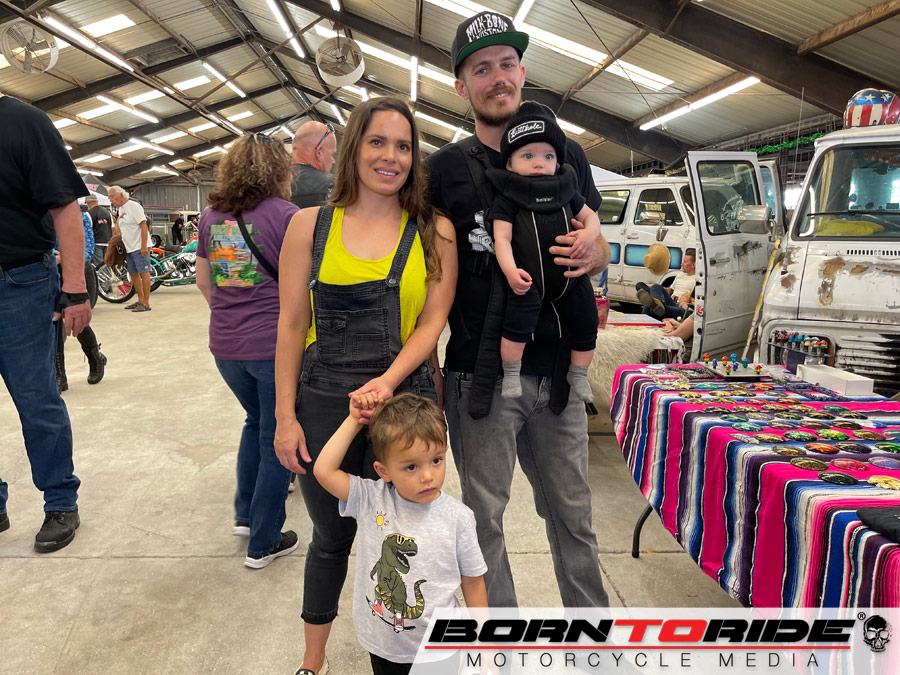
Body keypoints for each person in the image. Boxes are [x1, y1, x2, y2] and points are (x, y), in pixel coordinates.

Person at [425, 11, 611, 610]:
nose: (497, 77)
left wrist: (596, 250)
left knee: (574, 514)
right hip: (478, 375)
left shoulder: (566, 151)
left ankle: (593, 636)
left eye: (507, 64)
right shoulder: (443, 170)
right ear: (461, 86)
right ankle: (501, 642)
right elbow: (426, 276)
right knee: (484, 522)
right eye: (482, 69)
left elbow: (598, 244)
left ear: (523, 73)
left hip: (559, 373)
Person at [274, 96, 457, 675]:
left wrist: (387, 381)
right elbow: (291, 324)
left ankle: (407, 653)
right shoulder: (308, 226)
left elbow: (432, 322)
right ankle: (313, 661)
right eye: (378, 142)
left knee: (405, 535)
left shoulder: (434, 231)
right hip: (323, 398)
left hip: (404, 401)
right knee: (330, 537)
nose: (390, 156)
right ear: (353, 148)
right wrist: (285, 416)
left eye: (403, 146)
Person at [314, 393, 487, 674]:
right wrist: (354, 419)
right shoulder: (371, 499)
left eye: (436, 460)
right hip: (384, 645)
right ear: (384, 471)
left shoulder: (459, 518)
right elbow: (324, 471)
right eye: (411, 466)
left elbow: (473, 581)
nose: (427, 476)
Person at [196, 133, 300, 569]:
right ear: (279, 170)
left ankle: (244, 515)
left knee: (255, 422)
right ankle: (264, 540)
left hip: (226, 346)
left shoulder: (210, 217)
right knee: (278, 438)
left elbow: (204, 281)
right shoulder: (287, 216)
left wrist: (232, 315)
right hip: (273, 347)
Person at [0, 92, 90, 551]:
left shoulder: (24, 122)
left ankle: (59, 500)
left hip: (19, 283)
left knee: (36, 399)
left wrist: (75, 288)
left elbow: (65, 206)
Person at [488, 102, 601, 402]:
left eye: (548, 156)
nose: (539, 163)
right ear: (509, 163)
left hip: (571, 279)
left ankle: (579, 374)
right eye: (528, 156)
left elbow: (592, 218)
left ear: (558, 161)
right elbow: (501, 238)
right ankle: (512, 373)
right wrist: (510, 271)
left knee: (587, 321)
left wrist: (589, 235)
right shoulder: (508, 195)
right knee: (517, 324)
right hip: (530, 280)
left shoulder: (567, 189)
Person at [55, 207, 107, 391]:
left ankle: (95, 357)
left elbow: (87, 249)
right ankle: (59, 374)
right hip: (48, 272)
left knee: (77, 322)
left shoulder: (80, 215)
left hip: (77, 271)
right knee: (53, 323)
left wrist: (64, 258)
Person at [108, 185, 152, 312]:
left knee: (144, 273)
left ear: (121, 195)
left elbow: (143, 226)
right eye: (109, 197)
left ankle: (146, 303)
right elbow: (119, 225)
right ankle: (140, 300)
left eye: (112, 196)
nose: (110, 199)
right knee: (133, 274)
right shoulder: (121, 209)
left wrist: (143, 246)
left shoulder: (134, 206)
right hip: (129, 248)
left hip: (139, 246)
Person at [635, 248, 696, 320]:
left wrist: (684, 303)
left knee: (650, 306)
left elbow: (689, 298)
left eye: (685, 262)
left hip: (681, 308)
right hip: (671, 302)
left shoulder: (697, 280)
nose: (681, 264)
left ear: (693, 265)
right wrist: (659, 290)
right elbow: (670, 290)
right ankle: (657, 302)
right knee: (644, 285)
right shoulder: (681, 274)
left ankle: (655, 303)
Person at [290, 120, 338, 209]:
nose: (333, 161)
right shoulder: (332, 185)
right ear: (319, 153)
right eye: (332, 155)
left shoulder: (272, 185)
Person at [85, 195, 112, 266]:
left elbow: (88, 230)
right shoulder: (107, 212)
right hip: (107, 242)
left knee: (99, 265)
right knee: (106, 264)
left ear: (87, 202)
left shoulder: (89, 213)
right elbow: (113, 228)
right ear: (97, 201)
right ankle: (108, 274)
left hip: (96, 242)